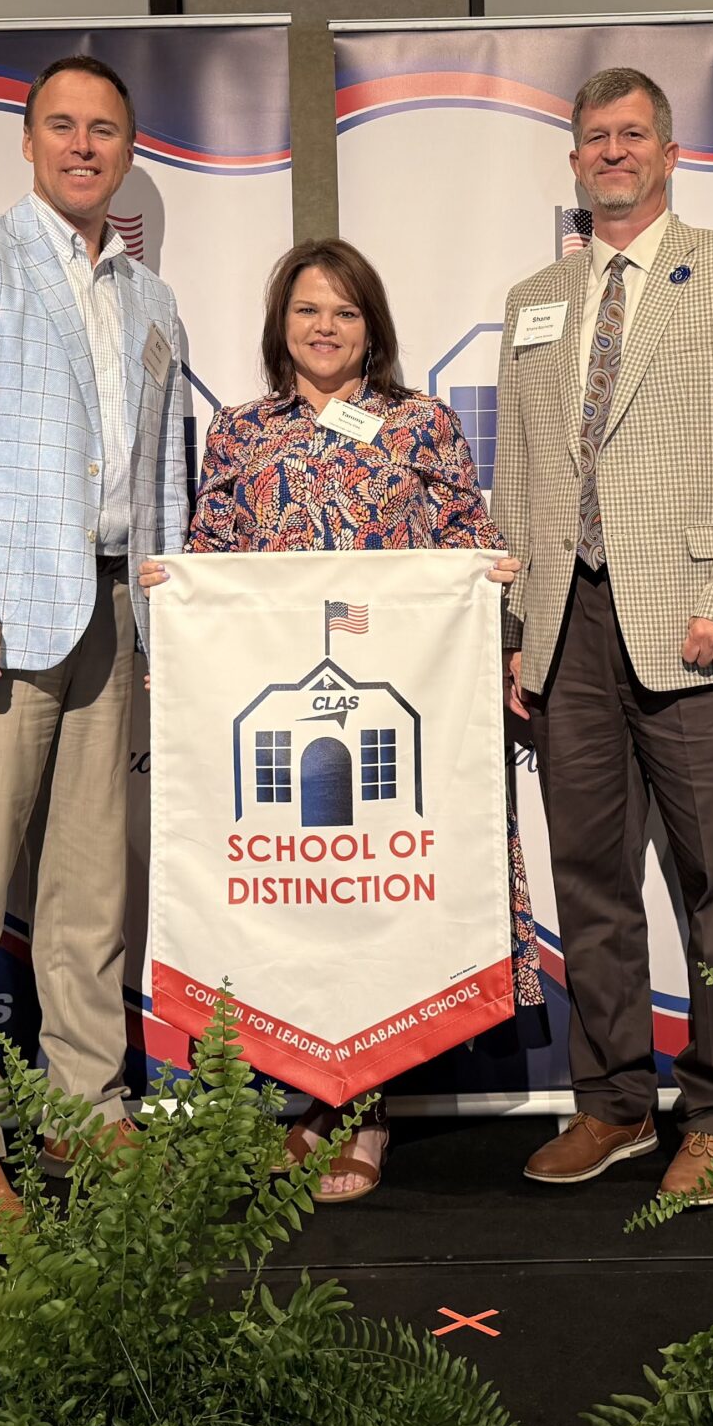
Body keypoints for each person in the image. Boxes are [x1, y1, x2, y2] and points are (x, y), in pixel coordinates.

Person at [142, 238, 538, 1202]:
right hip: (282, 720)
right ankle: (310, 1097)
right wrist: (175, 606)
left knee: (390, 902)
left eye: (346, 312)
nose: (326, 328)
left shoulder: (425, 426)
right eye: (308, 310)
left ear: (375, 327)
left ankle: (364, 1111)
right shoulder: (239, 432)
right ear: (281, 325)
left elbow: (461, 547)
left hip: (402, 721)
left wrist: (489, 589)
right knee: (299, 906)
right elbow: (213, 558)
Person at [0, 54, 190, 1253]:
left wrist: (158, 626)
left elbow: (158, 477)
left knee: (86, 891)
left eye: (103, 129)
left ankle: (85, 1105)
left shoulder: (153, 298)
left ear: (127, 150)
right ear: (27, 142)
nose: (81, 144)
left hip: (111, 615)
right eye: (60, 126)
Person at [493, 65, 713, 1206]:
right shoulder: (536, 295)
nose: (611, 151)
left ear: (670, 153)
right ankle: (613, 1104)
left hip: (700, 628)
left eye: (632, 135)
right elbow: (523, 475)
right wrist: (521, 634)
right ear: (574, 160)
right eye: (593, 137)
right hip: (568, 633)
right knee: (590, 879)